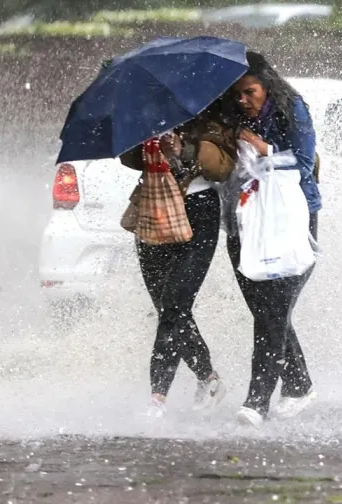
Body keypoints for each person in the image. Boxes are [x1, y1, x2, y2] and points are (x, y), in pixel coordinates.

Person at [221, 51, 322, 428]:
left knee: (274, 311)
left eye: (250, 92)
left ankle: (256, 401)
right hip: (242, 222)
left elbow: (305, 160)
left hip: (290, 219)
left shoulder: (291, 108)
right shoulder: (228, 120)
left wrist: (264, 150)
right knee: (265, 312)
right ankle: (299, 386)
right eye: (237, 96)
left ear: (267, 86)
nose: (244, 101)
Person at [119, 99, 238, 418]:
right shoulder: (148, 111)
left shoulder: (213, 112)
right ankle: (210, 379)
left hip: (200, 213)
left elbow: (223, 166)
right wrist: (141, 137)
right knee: (166, 309)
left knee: (175, 305)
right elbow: (126, 157)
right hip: (154, 207)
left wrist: (183, 148)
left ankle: (157, 397)